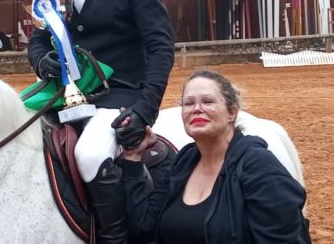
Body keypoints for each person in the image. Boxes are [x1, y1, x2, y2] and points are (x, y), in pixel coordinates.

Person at [27, 0, 174, 242]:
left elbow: (161, 47)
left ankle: (114, 238)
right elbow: (39, 41)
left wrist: (143, 111)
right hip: (64, 97)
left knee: (91, 154)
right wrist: (43, 62)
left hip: (119, 96)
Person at [120, 70, 310, 243]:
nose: (196, 108)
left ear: (232, 112)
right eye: (189, 103)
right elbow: (144, 227)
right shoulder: (183, 163)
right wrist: (133, 158)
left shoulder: (260, 167)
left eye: (208, 101)